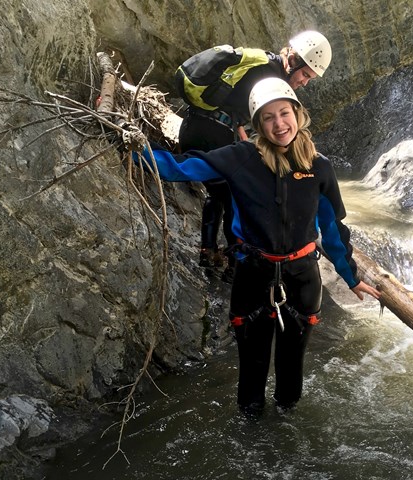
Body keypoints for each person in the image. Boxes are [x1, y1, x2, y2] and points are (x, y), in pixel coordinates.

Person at [136, 77, 380, 414]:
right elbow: (182, 167)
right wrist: (135, 152)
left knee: (291, 370)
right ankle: (251, 432)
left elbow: (332, 229)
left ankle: (287, 436)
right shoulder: (241, 158)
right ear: (258, 125)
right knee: (251, 369)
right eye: (268, 117)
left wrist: (350, 276)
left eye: (284, 113)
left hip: (302, 278)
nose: (279, 124)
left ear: (298, 113)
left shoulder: (318, 168)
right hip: (253, 275)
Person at [175, 31, 333, 282]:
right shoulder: (269, 77)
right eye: (305, 75)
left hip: (193, 128)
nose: (305, 82)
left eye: (309, 78)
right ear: (293, 59)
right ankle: (235, 266)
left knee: (218, 192)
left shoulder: (260, 64)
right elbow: (248, 121)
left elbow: (237, 110)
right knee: (236, 198)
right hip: (215, 132)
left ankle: (208, 252)